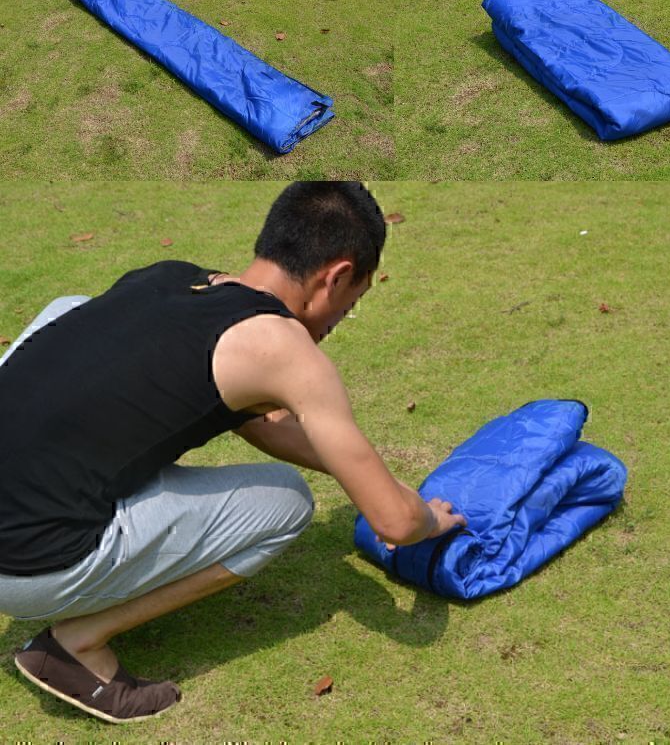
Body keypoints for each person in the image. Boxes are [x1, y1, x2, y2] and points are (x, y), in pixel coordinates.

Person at [0, 182, 466, 724]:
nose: (341, 321)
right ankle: (77, 645)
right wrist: (426, 519)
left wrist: (370, 481)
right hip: (28, 567)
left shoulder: (169, 277)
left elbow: (263, 426)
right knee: (287, 502)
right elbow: (395, 523)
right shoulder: (281, 347)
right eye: (352, 304)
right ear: (336, 277)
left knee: (71, 309)